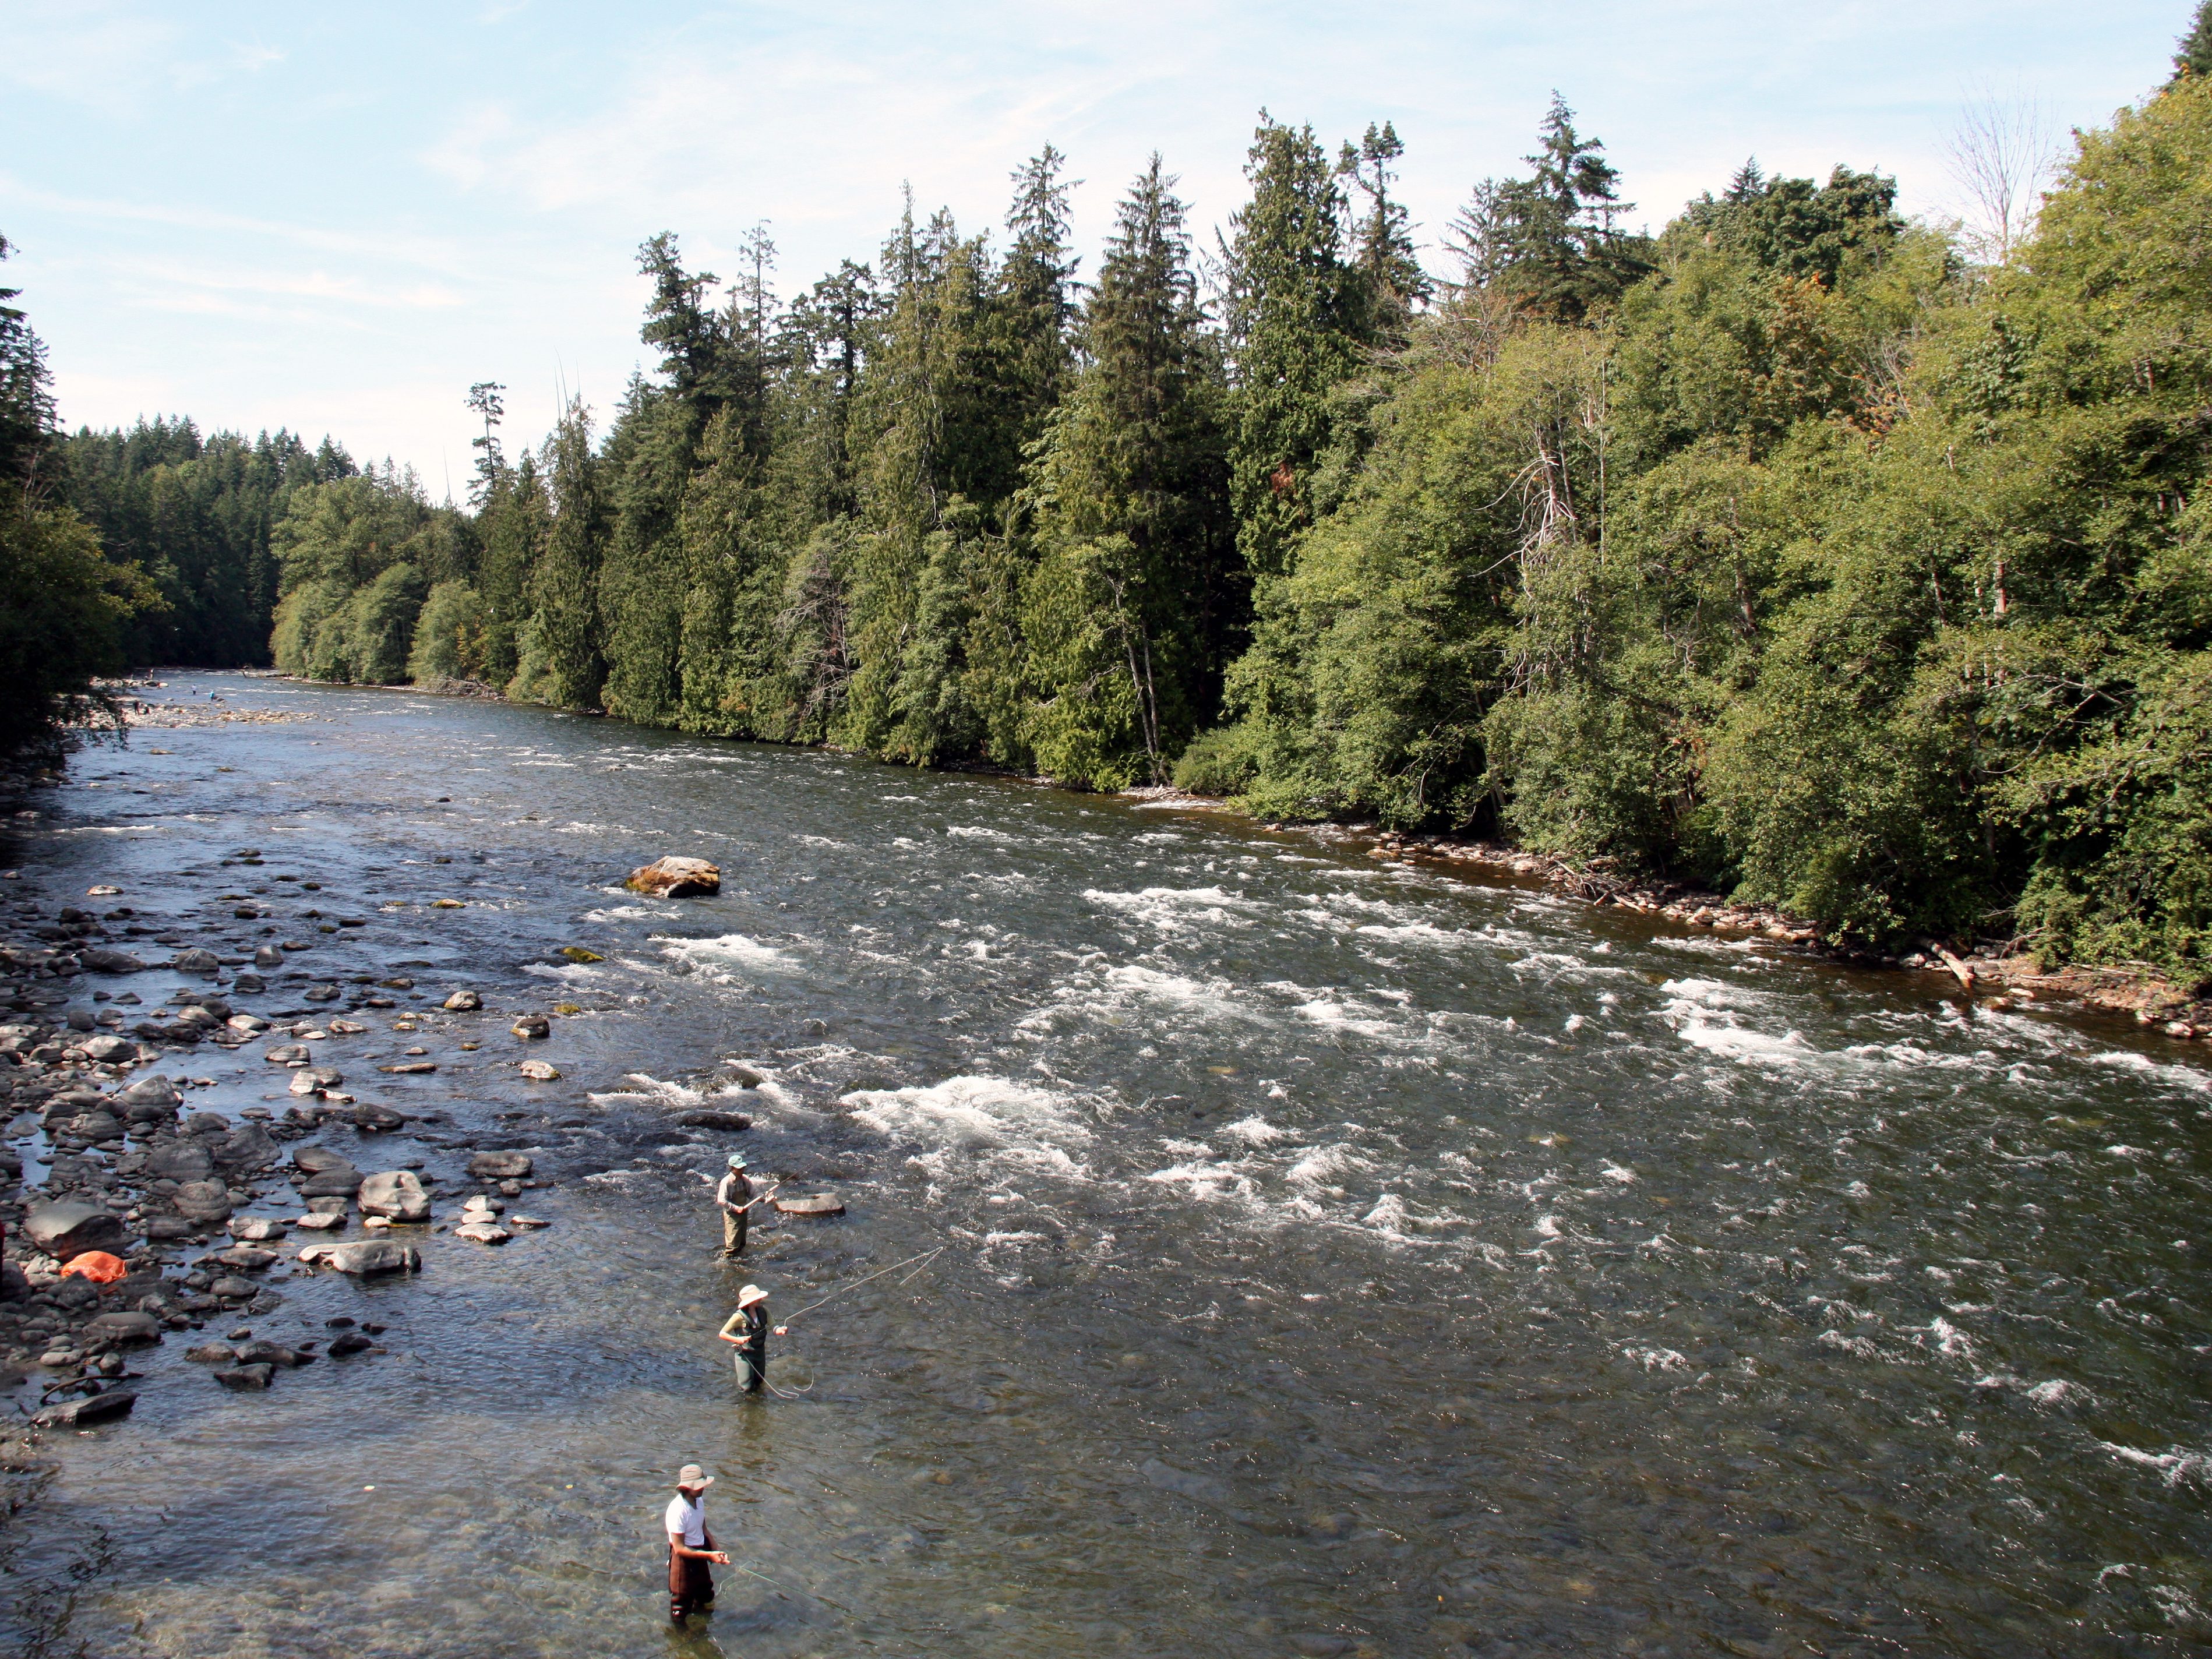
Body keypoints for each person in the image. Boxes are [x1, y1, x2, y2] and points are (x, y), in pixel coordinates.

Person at [664, 1464, 729, 1623]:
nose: (703, 1489)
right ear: (687, 1488)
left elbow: (704, 1528)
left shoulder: (698, 1501)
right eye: (699, 1486)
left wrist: (716, 1550)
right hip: (683, 1559)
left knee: (705, 1594)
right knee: (681, 1602)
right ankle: (681, 1635)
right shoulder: (677, 1510)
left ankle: (705, 1622)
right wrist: (709, 1556)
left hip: (700, 1551)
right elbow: (679, 1549)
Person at [718, 1284, 785, 1394]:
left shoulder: (764, 1312)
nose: (761, 1299)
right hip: (745, 1355)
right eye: (758, 1298)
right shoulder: (738, 1317)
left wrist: (780, 1330)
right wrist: (738, 1340)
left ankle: (759, 1401)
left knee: (759, 1381)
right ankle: (746, 1405)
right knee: (747, 1386)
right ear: (751, 1301)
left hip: (760, 1352)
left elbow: (774, 1327)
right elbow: (722, 1333)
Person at [714, 1153, 753, 1259]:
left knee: (742, 1239)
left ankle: (741, 1257)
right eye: (739, 1168)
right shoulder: (726, 1182)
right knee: (733, 1241)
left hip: (744, 1212)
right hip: (732, 1215)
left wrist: (765, 1198)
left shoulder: (745, 1179)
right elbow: (721, 1200)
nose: (742, 1170)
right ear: (732, 1169)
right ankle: (729, 1260)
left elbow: (753, 1194)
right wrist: (736, 1208)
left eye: (743, 1168)